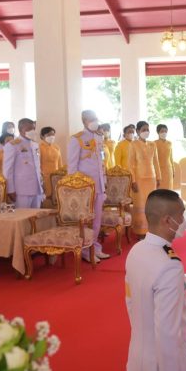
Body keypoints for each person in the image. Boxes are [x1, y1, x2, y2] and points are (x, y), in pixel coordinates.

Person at [125, 189, 186, 371]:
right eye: (182, 215)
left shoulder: (136, 251)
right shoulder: (170, 266)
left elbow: (130, 303)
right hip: (160, 366)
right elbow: (167, 334)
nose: (184, 221)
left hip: (137, 358)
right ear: (167, 220)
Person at [68, 110, 109, 262]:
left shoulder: (99, 137)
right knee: (85, 220)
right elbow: (72, 167)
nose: (94, 121)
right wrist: (75, 189)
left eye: (96, 118)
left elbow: (101, 163)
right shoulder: (76, 139)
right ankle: (86, 251)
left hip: (99, 185)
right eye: (91, 119)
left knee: (97, 219)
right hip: (83, 189)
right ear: (84, 121)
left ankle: (95, 248)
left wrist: (104, 182)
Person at [128, 121, 161, 236]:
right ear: (137, 131)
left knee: (151, 205)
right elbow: (130, 164)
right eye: (143, 130)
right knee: (141, 205)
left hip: (151, 179)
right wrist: (133, 181)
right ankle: (140, 231)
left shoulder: (153, 145)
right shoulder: (133, 144)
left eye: (147, 129)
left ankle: (151, 230)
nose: (146, 132)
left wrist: (158, 177)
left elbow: (156, 162)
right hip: (139, 179)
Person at [3, 119, 44, 209]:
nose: (32, 131)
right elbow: (8, 169)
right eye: (29, 129)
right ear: (20, 129)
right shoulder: (12, 145)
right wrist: (10, 189)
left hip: (36, 187)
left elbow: (37, 166)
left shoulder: (35, 144)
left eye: (33, 129)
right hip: (21, 190)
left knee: (35, 217)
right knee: (22, 217)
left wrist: (41, 185)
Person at [39, 126, 63, 199]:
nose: (51, 137)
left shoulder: (56, 147)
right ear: (42, 136)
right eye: (49, 135)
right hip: (45, 177)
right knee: (47, 197)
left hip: (56, 177)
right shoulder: (39, 147)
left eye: (53, 135)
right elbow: (38, 164)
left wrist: (62, 175)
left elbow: (60, 163)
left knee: (57, 197)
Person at [155, 124, 175, 190]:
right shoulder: (154, 143)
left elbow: (171, 158)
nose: (164, 133)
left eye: (165, 131)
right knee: (160, 190)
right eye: (162, 131)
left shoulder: (169, 143)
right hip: (159, 170)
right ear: (158, 132)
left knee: (168, 189)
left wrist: (173, 170)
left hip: (168, 170)